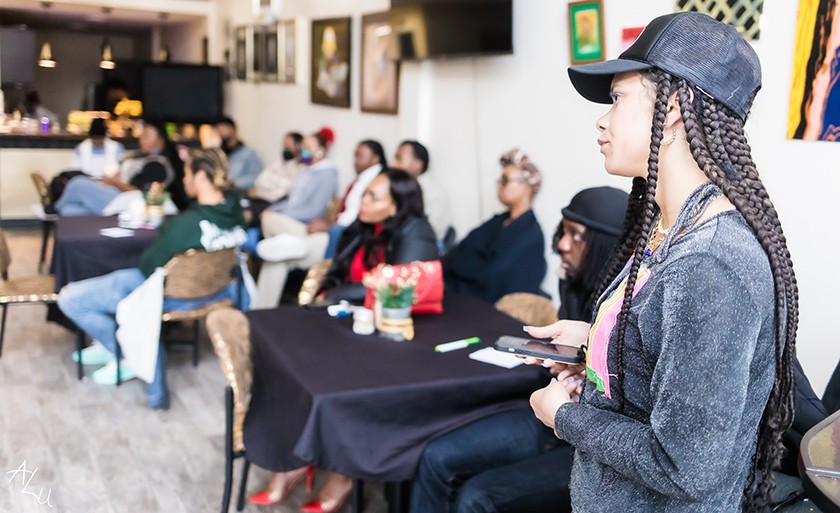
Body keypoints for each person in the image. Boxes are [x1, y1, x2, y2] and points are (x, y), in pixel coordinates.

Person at [528, 12, 798, 513]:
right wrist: (597, 342)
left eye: (617, 98)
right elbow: (667, 357)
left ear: (672, 107)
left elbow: (684, 464)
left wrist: (565, 416)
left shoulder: (712, 263)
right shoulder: (668, 228)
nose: (602, 120)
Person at [409, 186, 628, 513]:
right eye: (563, 232)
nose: (562, 245)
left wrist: (582, 386)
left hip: (585, 440)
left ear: (606, 245)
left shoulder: (627, 306)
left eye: (576, 236)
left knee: (476, 496)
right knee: (433, 457)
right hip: (546, 416)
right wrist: (568, 366)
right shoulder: (573, 284)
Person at [250, 169, 439, 510]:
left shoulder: (415, 232)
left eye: (373, 197)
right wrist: (330, 292)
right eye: (365, 194)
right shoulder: (361, 225)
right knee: (290, 368)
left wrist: (333, 296)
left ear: (397, 206)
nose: (363, 201)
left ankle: (343, 473)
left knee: (337, 383)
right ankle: (299, 454)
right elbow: (338, 268)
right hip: (345, 317)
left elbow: (395, 286)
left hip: (388, 332)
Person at [57, 148, 248, 410]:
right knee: (114, 281)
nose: (184, 180)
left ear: (201, 176)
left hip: (166, 293)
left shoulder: (188, 225)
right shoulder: (236, 213)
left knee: (71, 298)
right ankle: (110, 344)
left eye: (187, 174)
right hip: (217, 290)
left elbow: (148, 264)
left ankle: (123, 354)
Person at [443, 148, 546, 304]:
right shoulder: (498, 221)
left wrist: (464, 267)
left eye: (505, 180)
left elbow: (494, 278)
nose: (500, 186)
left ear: (528, 186)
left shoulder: (530, 235)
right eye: (499, 181)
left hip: (484, 308)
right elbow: (459, 252)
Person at [252, 128, 338, 308]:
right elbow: (291, 201)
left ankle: (288, 241)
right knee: (275, 257)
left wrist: (279, 214)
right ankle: (259, 312)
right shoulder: (305, 170)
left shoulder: (327, 174)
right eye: (303, 146)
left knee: (270, 223)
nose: (303, 150)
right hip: (292, 226)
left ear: (321, 149)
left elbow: (312, 210)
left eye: (308, 146)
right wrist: (273, 209)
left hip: (305, 227)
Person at [54, 121, 176, 216]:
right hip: (117, 194)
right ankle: (58, 211)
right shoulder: (142, 157)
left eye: (146, 135)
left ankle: (53, 209)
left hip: (125, 201)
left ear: (159, 138)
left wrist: (114, 182)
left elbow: (137, 192)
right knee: (68, 211)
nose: (141, 139)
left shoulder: (157, 165)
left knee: (78, 183)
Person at [308, 139, 387, 258]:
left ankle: (329, 272)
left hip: (351, 232)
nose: (355, 161)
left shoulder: (375, 180)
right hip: (340, 226)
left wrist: (329, 226)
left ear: (375, 159)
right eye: (355, 155)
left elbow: (355, 215)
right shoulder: (362, 179)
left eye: (360, 156)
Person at [393, 140, 452, 242]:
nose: (393, 164)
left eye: (399, 159)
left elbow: (425, 233)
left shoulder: (433, 194)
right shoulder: (406, 187)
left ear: (417, 164)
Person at [251, 131, 304, 209]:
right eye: (284, 144)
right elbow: (259, 181)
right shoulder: (277, 163)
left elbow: (281, 194)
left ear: (298, 146)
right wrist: (278, 183)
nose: (285, 147)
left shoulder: (301, 169)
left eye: (289, 145)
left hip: (275, 205)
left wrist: (272, 181)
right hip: (260, 199)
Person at [217, 116, 263, 191]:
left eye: (223, 128)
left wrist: (234, 183)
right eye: (218, 129)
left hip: (238, 195)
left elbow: (256, 176)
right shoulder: (218, 153)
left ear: (232, 129)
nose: (220, 132)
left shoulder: (248, 153)